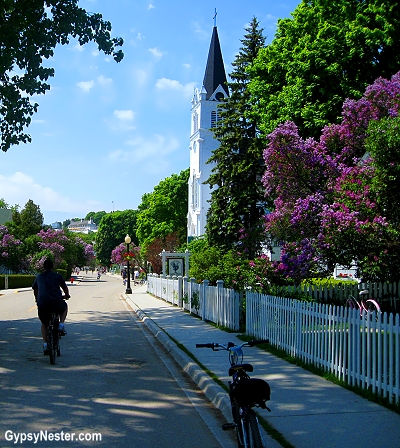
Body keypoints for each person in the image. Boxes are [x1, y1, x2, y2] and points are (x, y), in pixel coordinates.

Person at [32, 258, 70, 355]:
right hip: (56, 302)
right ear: (53, 267)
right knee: (64, 307)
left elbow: (35, 290)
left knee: (44, 323)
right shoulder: (58, 276)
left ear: (43, 267)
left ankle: (45, 344)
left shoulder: (39, 277)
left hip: (43, 303)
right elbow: (65, 288)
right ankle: (61, 324)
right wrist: (66, 296)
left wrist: (37, 300)